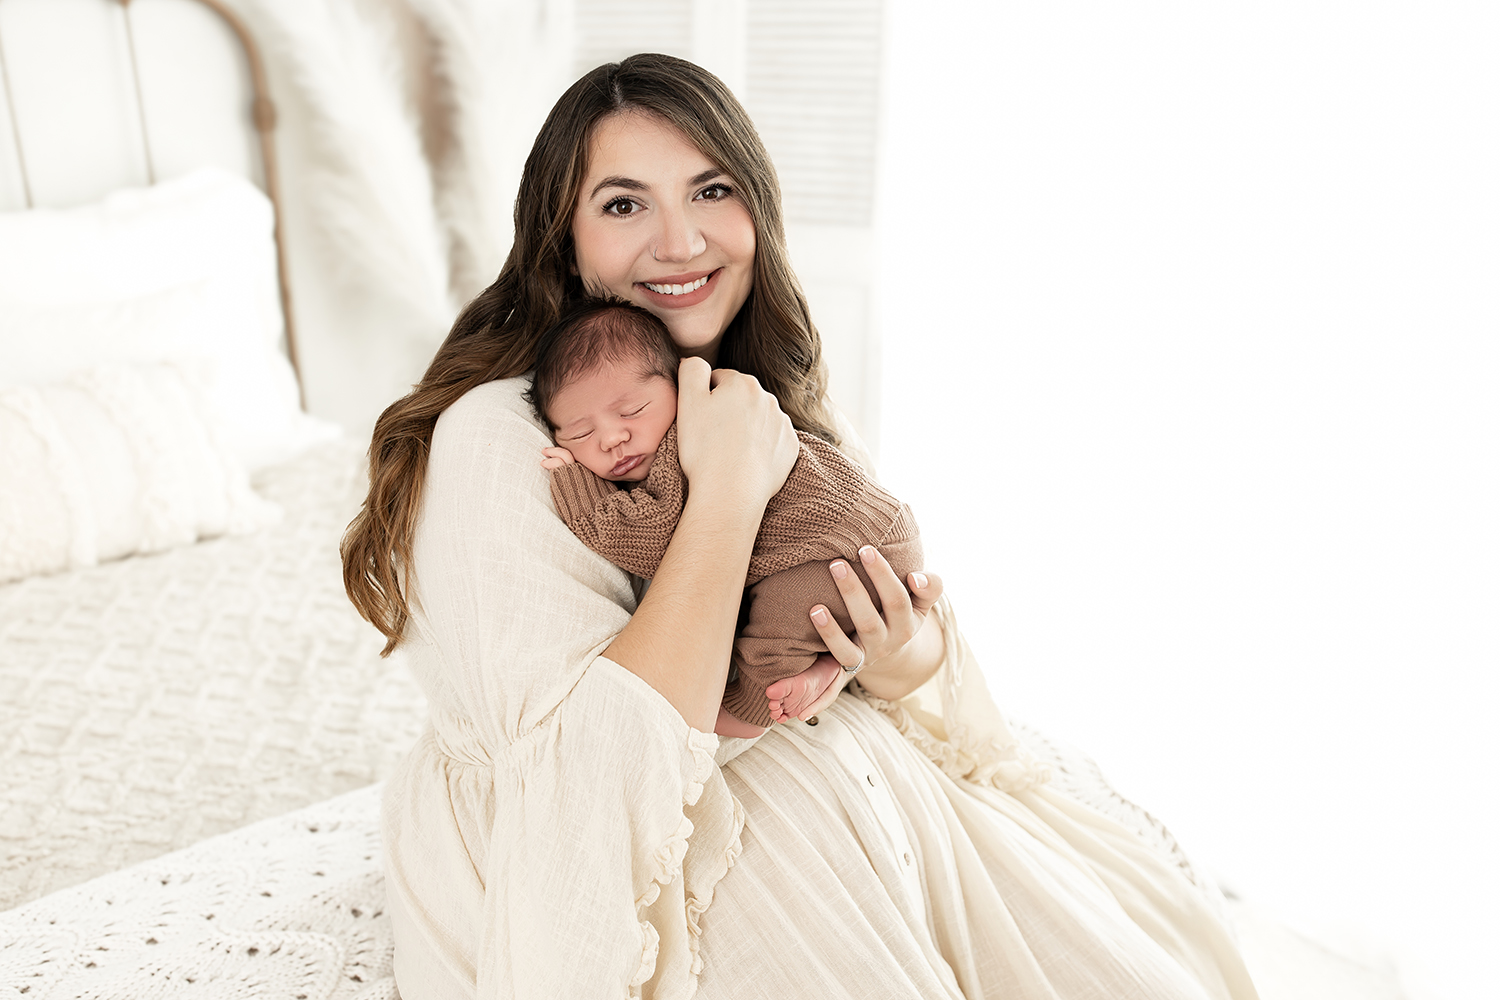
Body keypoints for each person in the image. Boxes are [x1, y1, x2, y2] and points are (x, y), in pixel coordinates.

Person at [342, 52, 1260, 1000]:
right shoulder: (505, 438)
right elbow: (587, 788)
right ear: (562, 244)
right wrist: (730, 496)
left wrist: (891, 650)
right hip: (651, 847)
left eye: (712, 189)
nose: (680, 240)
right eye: (623, 205)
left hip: (854, 792)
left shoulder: (760, 392)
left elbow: (907, 645)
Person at [527, 298, 923, 733]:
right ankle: (822, 671)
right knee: (806, 619)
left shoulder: (685, 440)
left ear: (680, 385)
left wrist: (576, 483)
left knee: (779, 627)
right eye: (580, 433)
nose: (612, 437)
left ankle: (751, 712)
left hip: (844, 549)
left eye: (632, 411)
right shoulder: (725, 412)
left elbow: (651, 540)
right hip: (879, 530)